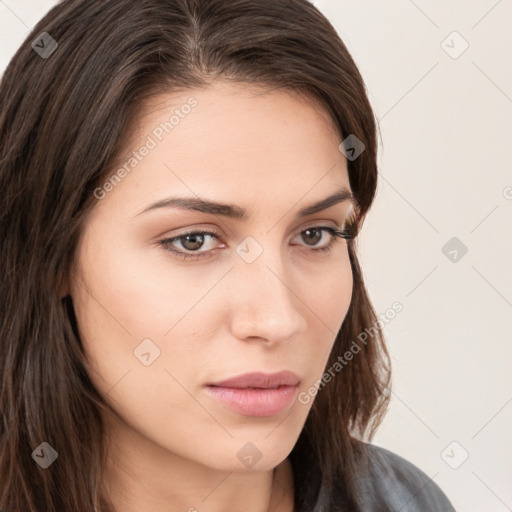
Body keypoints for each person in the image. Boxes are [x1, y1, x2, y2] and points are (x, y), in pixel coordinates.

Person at [0, 1, 456, 511]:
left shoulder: (402, 501)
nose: (278, 319)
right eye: (192, 240)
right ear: (51, 253)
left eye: (315, 234)